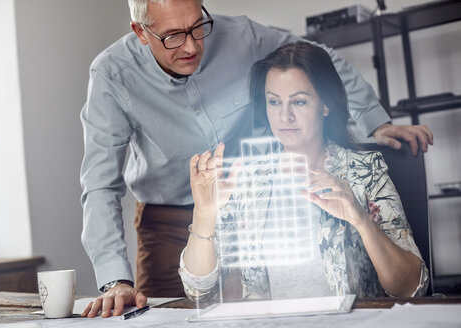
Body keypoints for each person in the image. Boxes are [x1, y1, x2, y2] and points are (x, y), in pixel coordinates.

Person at [80, 0, 433, 317]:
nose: (190, 45)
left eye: (197, 26)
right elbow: (99, 184)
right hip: (172, 216)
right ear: (141, 33)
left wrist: (376, 121)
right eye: (173, 35)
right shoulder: (112, 75)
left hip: (240, 192)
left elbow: (313, 62)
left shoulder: (243, 36)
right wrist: (116, 281)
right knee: (168, 316)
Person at [180, 42, 429, 300]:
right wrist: (204, 213)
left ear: (325, 105)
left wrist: (361, 219)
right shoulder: (244, 179)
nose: (284, 116)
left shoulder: (364, 171)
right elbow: (199, 291)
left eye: (299, 102)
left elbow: (412, 287)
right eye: (274, 102)